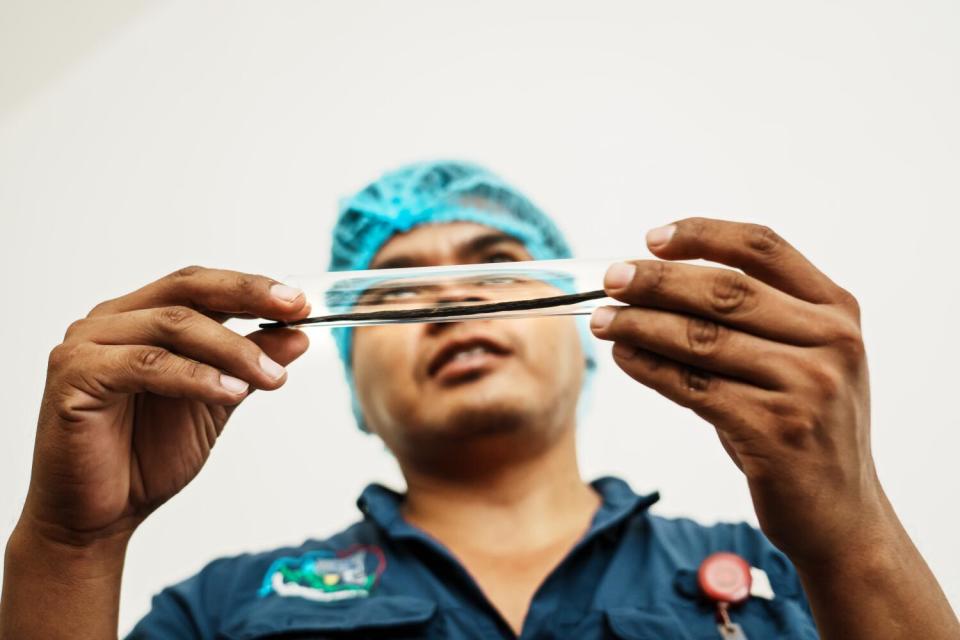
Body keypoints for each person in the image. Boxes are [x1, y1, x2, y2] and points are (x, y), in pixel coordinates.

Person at [1, 161, 956, 640]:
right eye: (397, 289)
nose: (453, 298)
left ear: (583, 338)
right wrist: (69, 546)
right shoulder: (220, 612)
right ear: (352, 388)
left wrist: (849, 529)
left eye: (498, 267)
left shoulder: (784, 583)